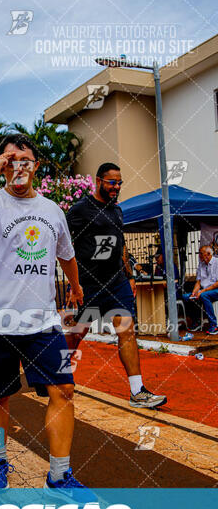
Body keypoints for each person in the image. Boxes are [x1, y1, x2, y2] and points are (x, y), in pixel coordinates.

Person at [0, 133, 85, 492]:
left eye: (24, 159)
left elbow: (66, 254)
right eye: (10, 161)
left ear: (36, 165)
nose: (18, 167)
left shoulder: (52, 210)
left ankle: (59, 474)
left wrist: (75, 285)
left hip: (42, 322)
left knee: (64, 389)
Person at [66, 162, 167, 409]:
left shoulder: (117, 211)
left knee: (127, 330)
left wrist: (129, 275)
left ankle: (137, 391)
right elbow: (62, 244)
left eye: (119, 182)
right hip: (89, 284)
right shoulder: (80, 210)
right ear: (98, 181)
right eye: (112, 182)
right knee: (77, 333)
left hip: (116, 283)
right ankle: (58, 375)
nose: (117, 187)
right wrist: (72, 283)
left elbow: (121, 245)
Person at [183, 245, 218, 334]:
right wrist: (194, 292)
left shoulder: (216, 263)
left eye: (201, 253)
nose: (199, 256)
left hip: (214, 289)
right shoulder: (201, 264)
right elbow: (198, 282)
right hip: (204, 290)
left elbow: (217, 283)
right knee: (187, 297)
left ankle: (214, 325)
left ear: (209, 254)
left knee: (203, 295)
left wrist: (202, 291)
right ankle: (196, 321)